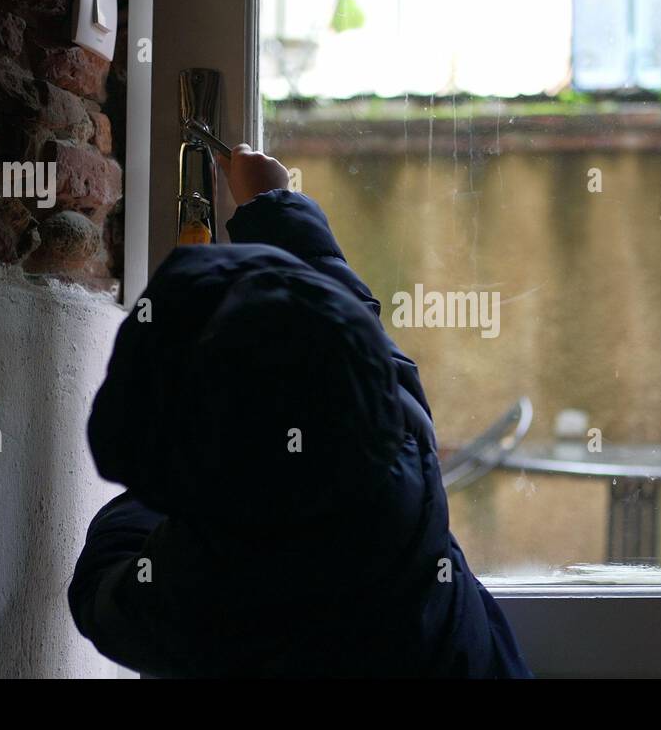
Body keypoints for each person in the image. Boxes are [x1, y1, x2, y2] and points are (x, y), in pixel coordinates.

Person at [67, 144, 531, 678]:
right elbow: (358, 345)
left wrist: (158, 489)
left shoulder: (188, 588)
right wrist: (274, 205)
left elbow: (101, 594)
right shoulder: (401, 473)